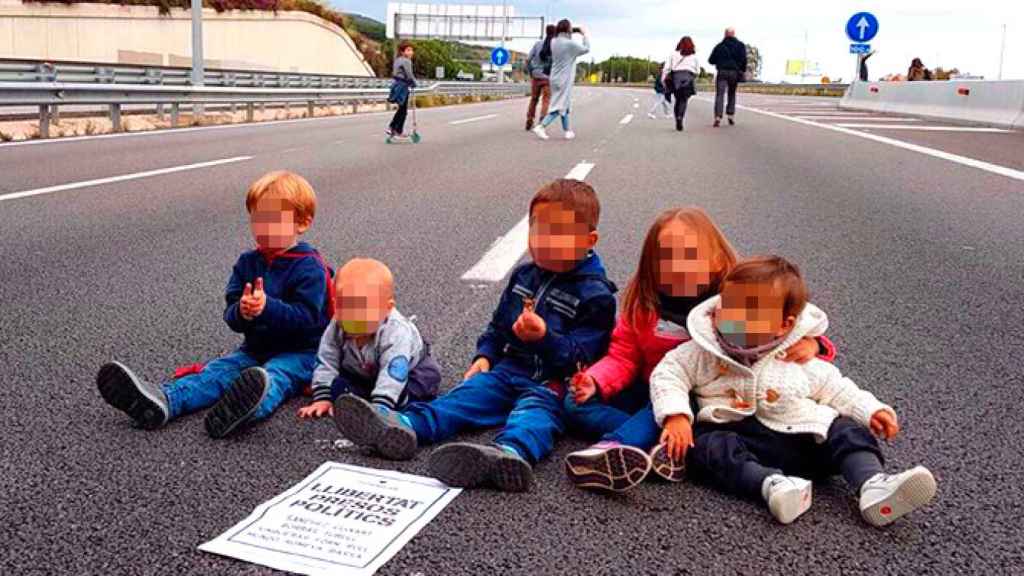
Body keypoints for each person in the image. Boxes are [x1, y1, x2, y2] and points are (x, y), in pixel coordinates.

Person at [334, 179, 617, 492]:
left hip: (554, 383)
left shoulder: (596, 295)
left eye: (559, 234)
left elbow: (584, 358)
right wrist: (485, 356)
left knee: (534, 416)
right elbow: (498, 326)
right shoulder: (524, 276)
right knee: (464, 397)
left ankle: (508, 455)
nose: (544, 241)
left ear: (589, 240)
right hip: (508, 371)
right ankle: (404, 426)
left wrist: (545, 338)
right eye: (538, 230)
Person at [650, 256, 937, 526]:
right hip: (739, 435)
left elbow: (835, 387)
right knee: (706, 447)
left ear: (782, 325)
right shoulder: (702, 350)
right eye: (728, 305)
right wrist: (676, 415)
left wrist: (871, 409)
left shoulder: (795, 354)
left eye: (749, 311)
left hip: (801, 437)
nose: (732, 316)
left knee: (844, 428)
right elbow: (668, 374)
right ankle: (771, 485)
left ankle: (872, 483)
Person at [563, 209, 835, 492]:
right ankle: (667, 443)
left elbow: (787, 323)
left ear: (717, 261)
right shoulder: (644, 308)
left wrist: (812, 344)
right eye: (666, 258)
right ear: (650, 265)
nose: (678, 266)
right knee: (575, 405)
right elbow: (623, 357)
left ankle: (618, 445)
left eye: (690, 256)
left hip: (698, 392)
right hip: (649, 385)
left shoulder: (732, 302)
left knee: (662, 407)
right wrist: (595, 380)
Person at [96, 171, 333, 438]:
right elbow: (231, 315)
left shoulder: (309, 267)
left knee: (275, 375)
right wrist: (243, 312)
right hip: (256, 348)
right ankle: (164, 401)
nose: (263, 227)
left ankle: (244, 410)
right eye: (257, 218)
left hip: (302, 352)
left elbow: (308, 319)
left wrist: (267, 308)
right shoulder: (248, 262)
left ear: (301, 223)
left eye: (273, 220)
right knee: (218, 372)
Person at [297, 258, 441, 420]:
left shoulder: (396, 331)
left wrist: (381, 406)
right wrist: (323, 397)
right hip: (362, 370)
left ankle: (392, 401)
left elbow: (393, 371)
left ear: (387, 308)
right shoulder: (337, 325)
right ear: (336, 305)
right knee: (337, 386)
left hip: (407, 369)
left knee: (422, 383)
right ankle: (361, 396)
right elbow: (326, 359)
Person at [532, 19, 590, 141]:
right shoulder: (569, 44)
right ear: (568, 29)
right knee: (558, 107)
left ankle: (567, 131)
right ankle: (541, 126)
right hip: (564, 79)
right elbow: (586, 49)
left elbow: (564, 37)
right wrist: (584, 34)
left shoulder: (554, 41)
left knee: (564, 104)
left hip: (555, 77)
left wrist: (571, 31)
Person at [708, 27, 747, 127]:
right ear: (734, 34)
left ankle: (717, 117)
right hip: (734, 73)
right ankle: (730, 115)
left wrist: (720, 61)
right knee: (732, 94)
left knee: (720, 95)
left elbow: (711, 60)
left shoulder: (719, 46)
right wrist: (742, 70)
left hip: (722, 72)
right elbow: (744, 60)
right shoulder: (740, 46)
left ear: (725, 34)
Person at [661, 36, 700, 132]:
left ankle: (677, 119)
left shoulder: (673, 54)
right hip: (688, 77)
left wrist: (664, 80)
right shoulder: (694, 56)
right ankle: (680, 117)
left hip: (676, 78)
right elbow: (698, 71)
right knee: (684, 100)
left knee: (678, 99)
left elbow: (667, 68)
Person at [525, 25, 556, 131]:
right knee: (546, 100)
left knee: (534, 99)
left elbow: (528, 59)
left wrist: (531, 72)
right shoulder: (555, 46)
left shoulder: (537, 44)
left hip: (536, 76)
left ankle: (529, 120)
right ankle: (542, 122)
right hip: (548, 77)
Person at [388, 41, 417, 137]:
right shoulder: (407, 61)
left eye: (411, 50)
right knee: (403, 109)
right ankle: (393, 127)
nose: (411, 52)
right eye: (408, 50)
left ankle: (397, 129)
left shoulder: (397, 60)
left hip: (396, 85)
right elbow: (409, 75)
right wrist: (413, 83)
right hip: (403, 86)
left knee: (402, 109)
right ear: (402, 52)